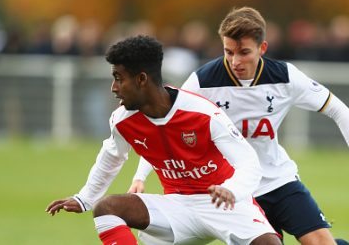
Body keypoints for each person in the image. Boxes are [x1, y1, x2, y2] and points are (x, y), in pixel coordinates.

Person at [129, 7, 349, 245]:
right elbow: (165, 128)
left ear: (262, 48)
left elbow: (339, 110)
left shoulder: (285, 77)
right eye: (228, 52)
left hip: (279, 181)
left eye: (244, 52)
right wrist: (140, 177)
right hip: (236, 192)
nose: (235, 60)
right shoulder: (203, 82)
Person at [45, 35, 282, 245]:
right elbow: (111, 157)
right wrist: (84, 198)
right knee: (107, 208)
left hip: (223, 204)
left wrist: (231, 190)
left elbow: (249, 162)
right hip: (176, 207)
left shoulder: (203, 113)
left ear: (141, 79)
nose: (114, 88)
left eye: (119, 78)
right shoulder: (122, 119)